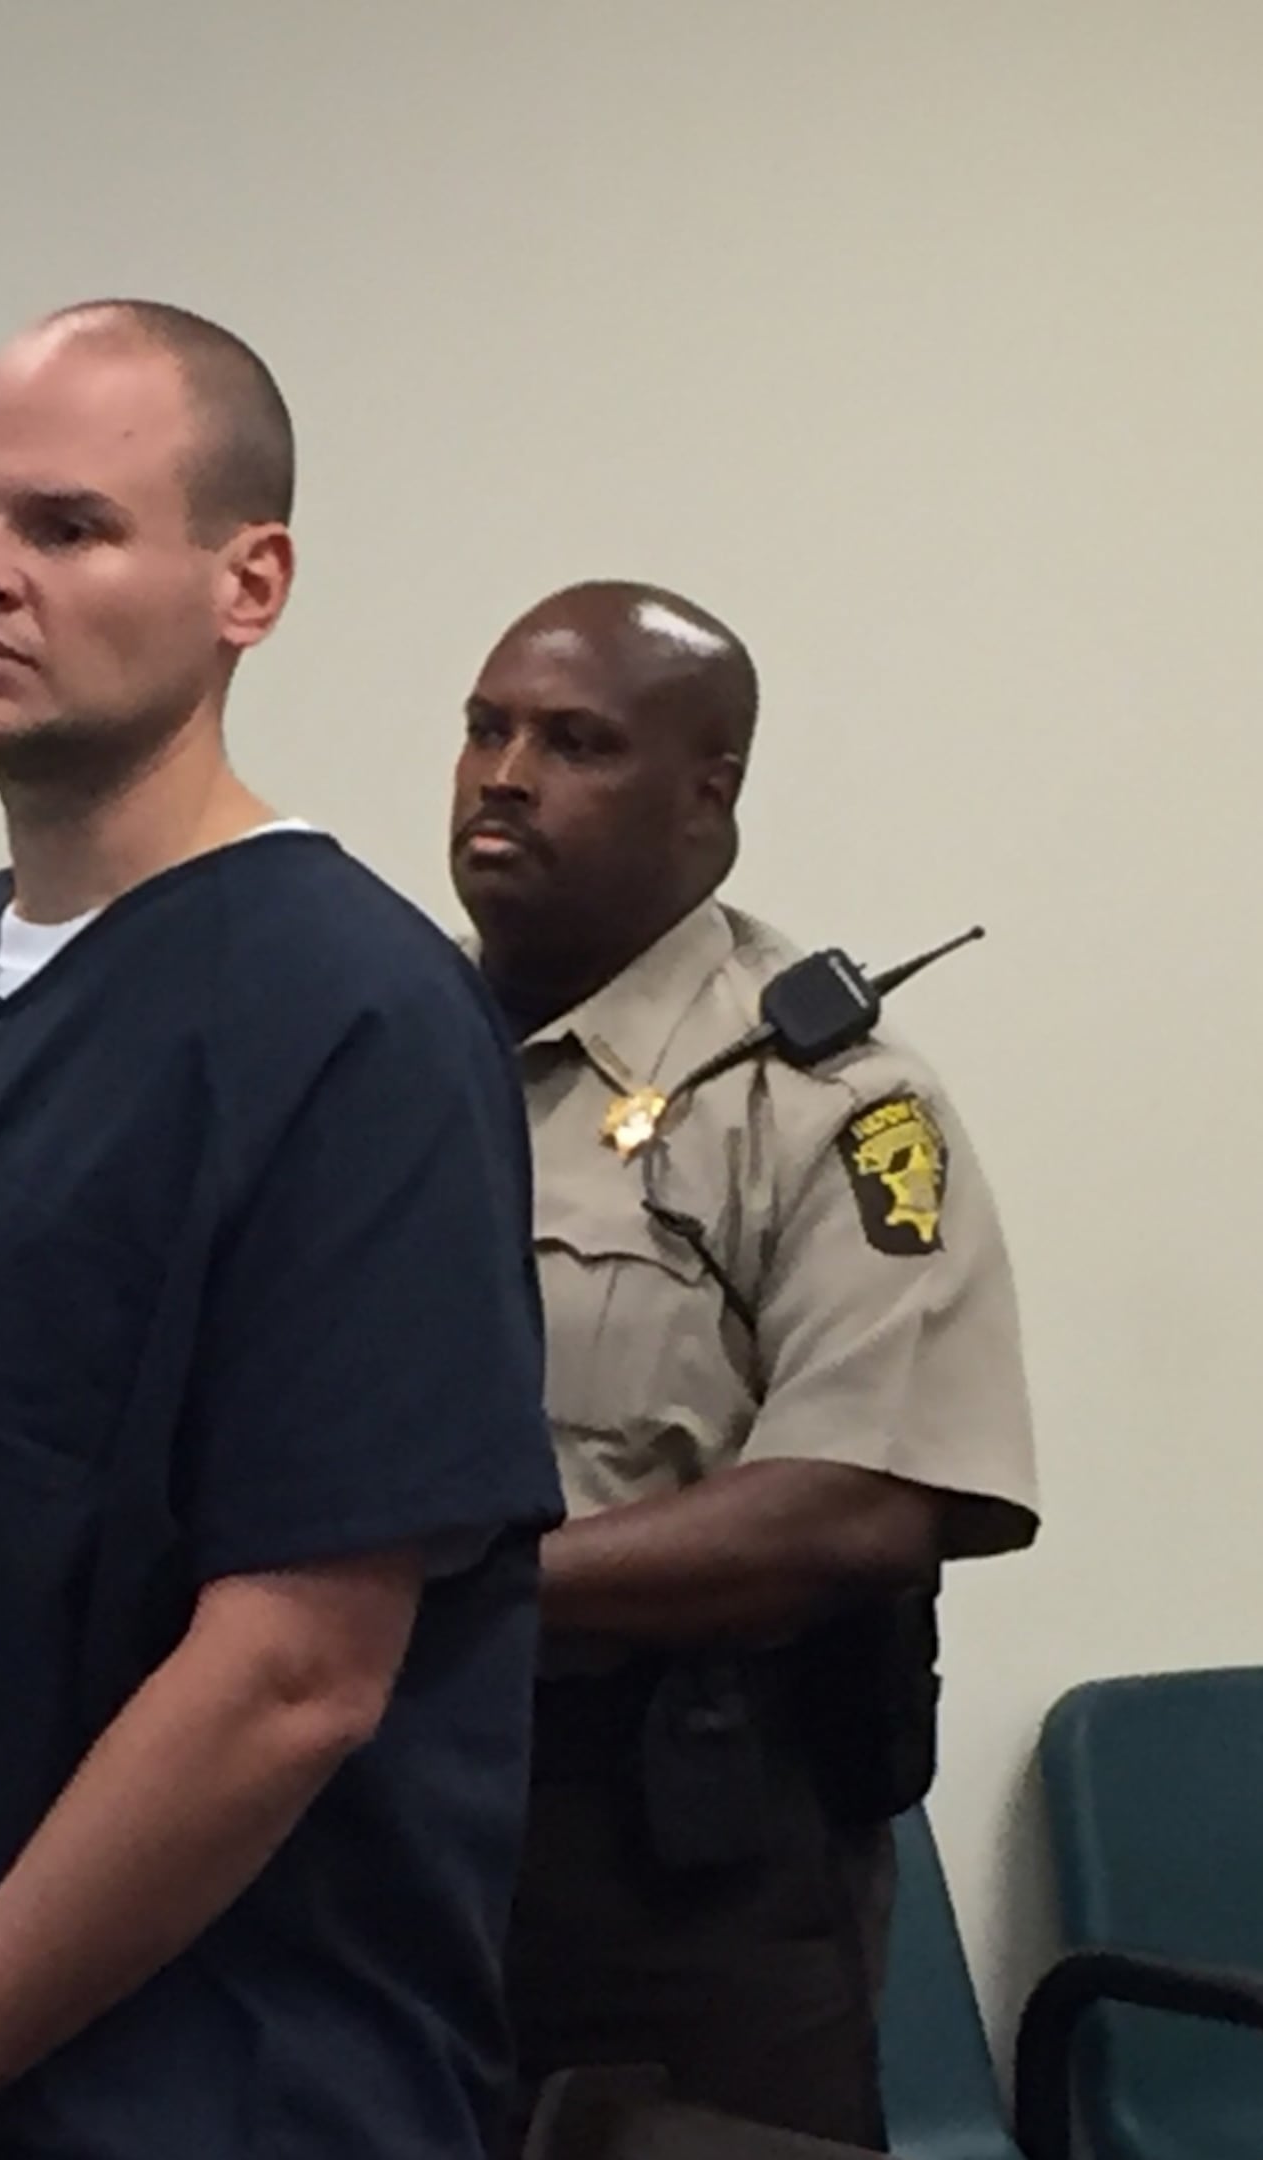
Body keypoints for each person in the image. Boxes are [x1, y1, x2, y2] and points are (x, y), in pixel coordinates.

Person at [0, 302, 563, 2160]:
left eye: (65, 528)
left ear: (252, 581)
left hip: (213, 2101)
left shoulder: (355, 1023)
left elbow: (295, 1670)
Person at [447, 580, 1041, 2147]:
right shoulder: (370, 1052)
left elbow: (856, 1503)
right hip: (382, 1824)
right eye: (486, 728)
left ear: (708, 793)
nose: (505, 774)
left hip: (677, 1863)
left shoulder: (830, 1105)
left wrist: (465, 1589)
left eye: (574, 742)